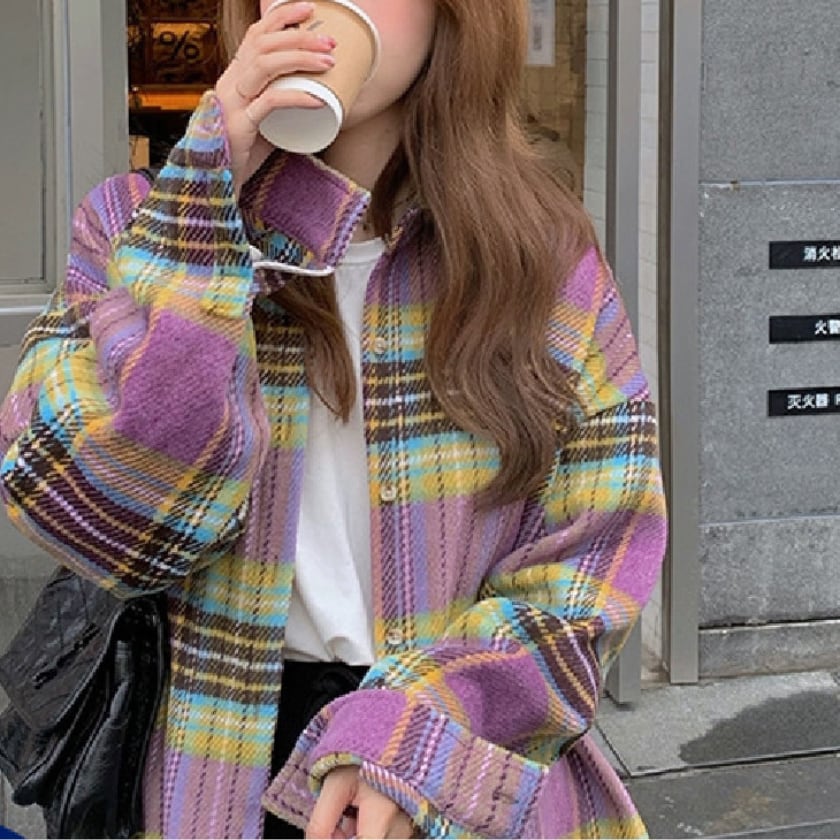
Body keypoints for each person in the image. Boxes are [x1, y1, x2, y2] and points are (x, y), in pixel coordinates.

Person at [0, 0, 667, 837]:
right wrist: (203, 213)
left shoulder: (540, 257)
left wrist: (416, 728)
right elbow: (115, 533)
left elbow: (597, 562)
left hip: (450, 761)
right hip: (213, 765)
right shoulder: (136, 228)